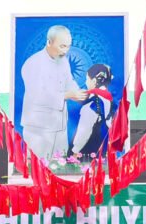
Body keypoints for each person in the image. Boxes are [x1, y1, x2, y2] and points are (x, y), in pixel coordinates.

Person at [20, 24, 87, 161]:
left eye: (68, 46)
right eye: (62, 46)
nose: (65, 51)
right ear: (49, 42)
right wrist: (68, 95)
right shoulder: (33, 63)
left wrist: (79, 93)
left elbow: (69, 81)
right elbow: (37, 96)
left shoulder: (63, 61)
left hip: (60, 125)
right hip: (39, 128)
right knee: (38, 166)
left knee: (59, 165)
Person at [69, 64, 113, 157]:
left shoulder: (91, 105)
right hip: (105, 149)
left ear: (94, 81)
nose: (86, 82)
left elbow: (84, 132)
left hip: (90, 152)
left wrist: (75, 151)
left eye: (87, 79)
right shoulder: (109, 99)